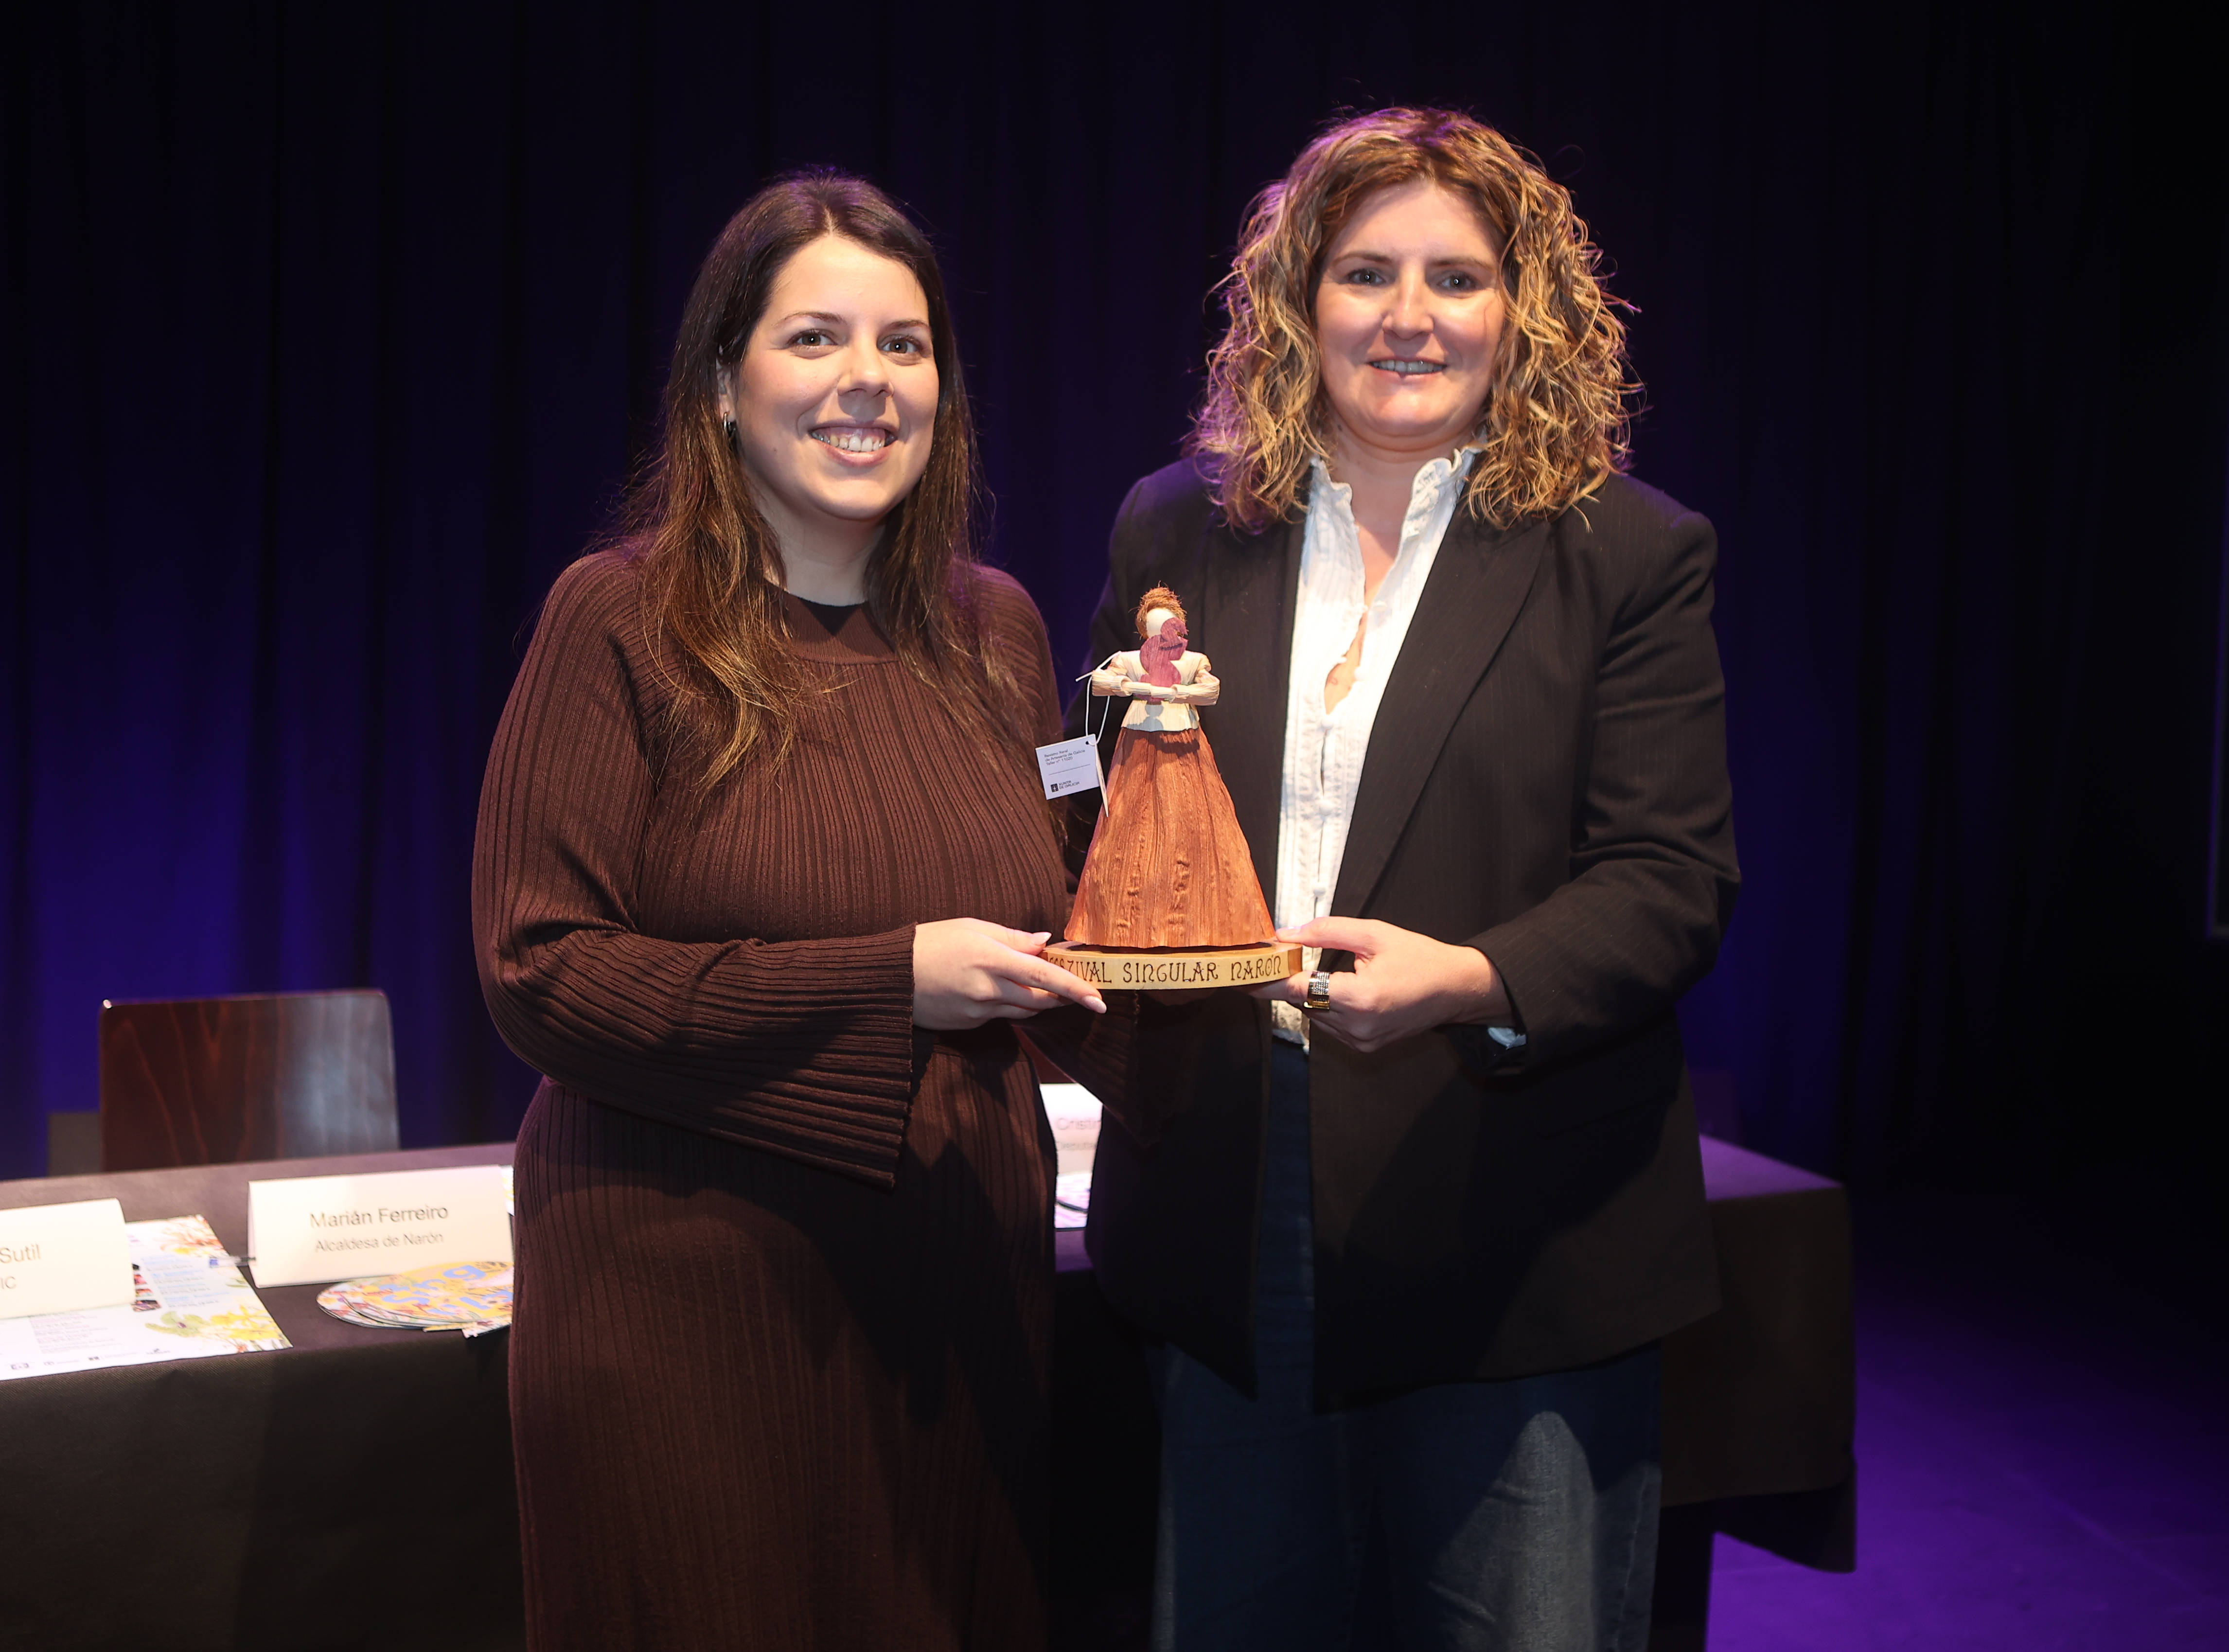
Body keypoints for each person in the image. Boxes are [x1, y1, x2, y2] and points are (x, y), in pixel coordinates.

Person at [1065, 108, 1740, 1650]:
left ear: (1525, 309)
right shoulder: (1177, 527)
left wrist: (1476, 979)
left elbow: (1671, 876)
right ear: (1299, 301)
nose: (1409, 316)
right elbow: (1096, 789)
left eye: (1458, 276)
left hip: (1517, 1223)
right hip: (1228, 1208)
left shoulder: (1627, 553)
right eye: (1366, 272)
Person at [473, 170, 1127, 1652]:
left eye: (905, 344)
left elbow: (1058, 901)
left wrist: (1206, 967)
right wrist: (890, 980)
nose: (866, 380)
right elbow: (539, 972)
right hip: (685, 1306)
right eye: (814, 337)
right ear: (723, 382)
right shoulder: (618, 618)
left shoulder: (1000, 629)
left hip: (960, 1299)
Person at [1067, 586, 1275, 949]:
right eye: (1155, 630)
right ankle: (1126, 921)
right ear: (1145, 631)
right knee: (1131, 823)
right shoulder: (1130, 659)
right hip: (1139, 741)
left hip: (1184, 742)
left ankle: (1202, 920)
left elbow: (1211, 690)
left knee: (1192, 821)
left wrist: (1176, 693)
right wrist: (1128, 685)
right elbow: (1099, 683)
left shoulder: (1193, 660)